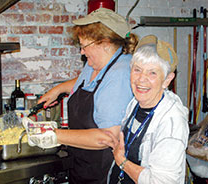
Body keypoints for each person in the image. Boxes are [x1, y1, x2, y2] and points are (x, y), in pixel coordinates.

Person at [23, 8, 138, 184]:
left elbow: (107, 137)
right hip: (83, 164)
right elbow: (89, 83)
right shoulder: (96, 64)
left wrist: (52, 134)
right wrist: (59, 89)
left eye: (85, 47)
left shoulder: (120, 74)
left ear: (105, 43)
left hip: (105, 173)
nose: (82, 53)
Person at [102, 35, 190, 184]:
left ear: (167, 80)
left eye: (152, 73)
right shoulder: (135, 103)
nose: (141, 79)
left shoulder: (171, 123)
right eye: (137, 70)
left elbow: (161, 182)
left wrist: (122, 162)